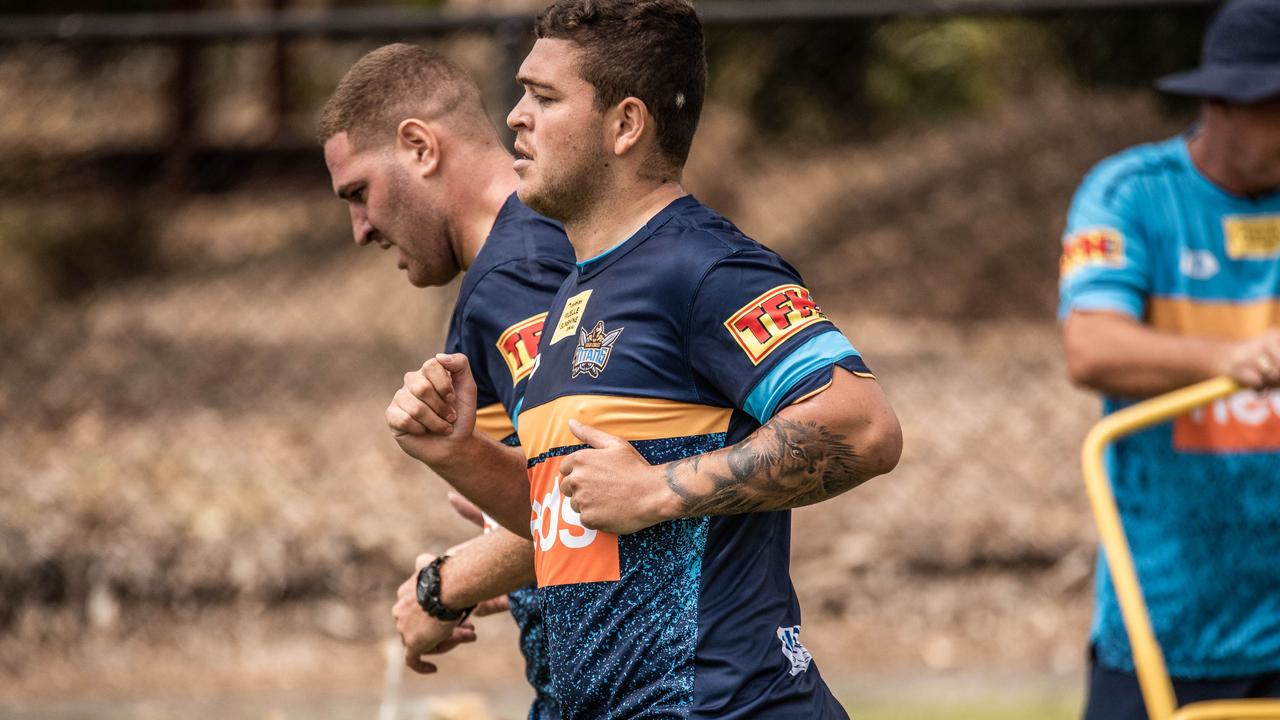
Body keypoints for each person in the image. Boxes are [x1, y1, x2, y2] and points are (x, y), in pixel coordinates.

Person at [385, 2, 903, 717]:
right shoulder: (573, 290)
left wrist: (658, 489)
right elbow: (571, 524)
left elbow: (863, 426)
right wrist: (455, 452)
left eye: (543, 96)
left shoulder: (705, 265)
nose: (514, 117)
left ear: (625, 125)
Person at [318, 43, 575, 718]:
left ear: (419, 147)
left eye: (359, 193)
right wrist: (507, 566)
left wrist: (444, 587)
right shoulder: (524, 255)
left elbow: (590, 497)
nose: (360, 229)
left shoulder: (518, 274)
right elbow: (559, 499)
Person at [1058, 1, 1280, 717]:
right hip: (1171, 617)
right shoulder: (1131, 196)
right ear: (1221, 100)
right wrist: (1234, 356)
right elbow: (1090, 346)